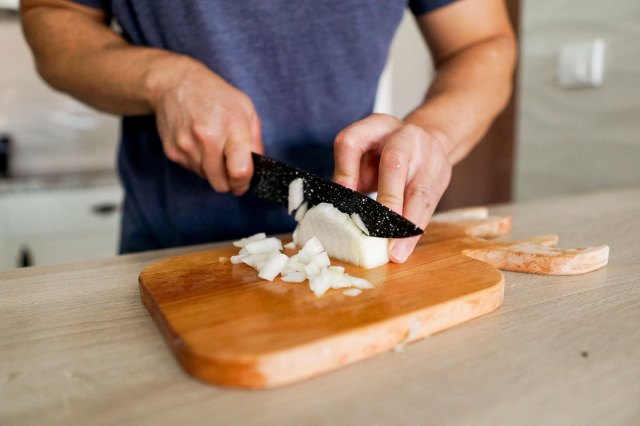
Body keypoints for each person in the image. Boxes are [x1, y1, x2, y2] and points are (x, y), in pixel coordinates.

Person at [21, 0, 516, 263]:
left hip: (335, 255)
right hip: (166, 252)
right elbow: (53, 14)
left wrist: (433, 132)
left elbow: (482, 42)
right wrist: (163, 79)